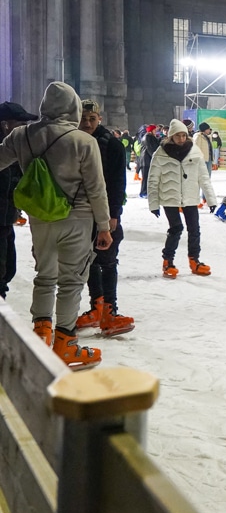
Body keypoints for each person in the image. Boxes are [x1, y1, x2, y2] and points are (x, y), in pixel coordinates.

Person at [0, 82, 112, 369]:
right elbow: (96, 188)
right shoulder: (83, 141)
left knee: (45, 276)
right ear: (73, 107)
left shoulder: (21, 135)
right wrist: (104, 226)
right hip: (78, 218)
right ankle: (65, 343)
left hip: (40, 217)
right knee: (72, 280)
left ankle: (41, 333)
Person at [75, 100, 134, 337]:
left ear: (99, 118)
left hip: (105, 213)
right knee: (88, 262)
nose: (87, 123)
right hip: (78, 212)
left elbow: (118, 182)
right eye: (83, 118)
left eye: (92, 118)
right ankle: (96, 307)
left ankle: (109, 310)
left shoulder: (112, 144)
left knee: (107, 261)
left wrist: (113, 215)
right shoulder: (73, 141)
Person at [148, 119, 217, 278]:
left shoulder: (194, 151)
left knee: (194, 229)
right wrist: (153, 204)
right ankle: (168, 261)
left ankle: (194, 260)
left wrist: (211, 200)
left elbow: (203, 178)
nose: (181, 139)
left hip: (190, 196)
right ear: (171, 136)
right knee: (176, 228)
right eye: (177, 136)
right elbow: (153, 180)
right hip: (169, 196)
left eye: (183, 135)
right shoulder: (160, 153)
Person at [0, 102, 37, 300]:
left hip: (7, 219)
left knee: (8, 269)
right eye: (20, 123)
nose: (25, 128)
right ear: (6, 124)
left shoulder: (16, 147)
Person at [193, 122, 213, 206]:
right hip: (201, 161)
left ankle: (205, 198)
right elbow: (195, 149)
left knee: (207, 180)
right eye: (208, 128)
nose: (209, 130)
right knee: (199, 180)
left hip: (208, 160)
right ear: (204, 129)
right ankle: (196, 200)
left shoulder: (208, 137)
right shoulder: (198, 137)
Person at [139, 123, 159, 198]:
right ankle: (143, 192)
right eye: (155, 130)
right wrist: (155, 157)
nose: (156, 131)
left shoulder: (151, 137)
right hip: (146, 161)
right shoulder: (147, 137)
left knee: (148, 177)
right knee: (146, 177)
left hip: (148, 160)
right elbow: (150, 148)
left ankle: (147, 191)